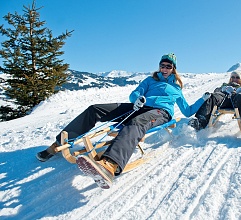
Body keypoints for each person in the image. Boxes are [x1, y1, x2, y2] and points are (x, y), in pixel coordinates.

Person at [36, 53, 211, 185]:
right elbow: (135, 92)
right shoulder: (150, 80)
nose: (164, 69)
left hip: (160, 112)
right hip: (140, 106)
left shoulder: (176, 89)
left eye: (168, 66)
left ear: (173, 69)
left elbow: (187, 111)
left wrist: (202, 100)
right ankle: (58, 144)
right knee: (94, 109)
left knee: (137, 123)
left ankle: (110, 164)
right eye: (162, 65)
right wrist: (137, 99)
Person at [188, 71, 241, 139]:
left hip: (236, 101)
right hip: (224, 100)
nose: (234, 79)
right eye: (233, 77)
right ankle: (200, 121)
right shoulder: (225, 85)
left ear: (240, 79)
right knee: (213, 96)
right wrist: (223, 89)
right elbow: (216, 91)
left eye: (237, 77)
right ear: (230, 78)